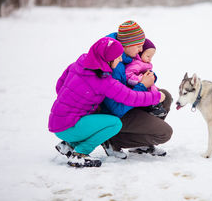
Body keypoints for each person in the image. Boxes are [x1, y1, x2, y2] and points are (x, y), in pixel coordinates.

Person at [49, 37, 163, 168]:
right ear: (108, 60)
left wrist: (77, 104)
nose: (120, 60)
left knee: (100, 119)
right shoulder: (102, 80)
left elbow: (60, 86)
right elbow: (130, 97)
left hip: (58, 120)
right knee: (113, 124)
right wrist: (156, 97)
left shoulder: (78, 64)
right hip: (68, 126)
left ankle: (69, 145)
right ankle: (80, 154)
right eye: (118, 57)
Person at [101, 20, 173, 158]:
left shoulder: (127, 55)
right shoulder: (113, 62)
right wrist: (142, 86)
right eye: (139, 46)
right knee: (164, 133)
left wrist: (149, 77)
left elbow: (135, 73)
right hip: (116, 113)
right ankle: (112, 140)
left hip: (128, 103)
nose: (141, 50)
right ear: (127, 44)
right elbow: (117, 106)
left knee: (165, 96)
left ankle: (142, 144)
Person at [125, 38, 168, 117]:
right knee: (150, 95)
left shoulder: (144, 63)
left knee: (161, 93)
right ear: (140, 54)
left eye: (151, 57)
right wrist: (141, 79)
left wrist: (152, 76)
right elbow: (128, 75)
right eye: (148, 56)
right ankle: (153, 107)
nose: (150, 59)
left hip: (147, 85)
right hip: (139, 87)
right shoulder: (136, 64)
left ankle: (157, 106)